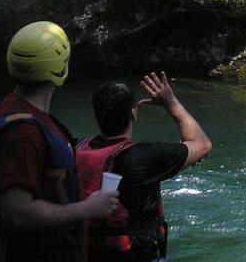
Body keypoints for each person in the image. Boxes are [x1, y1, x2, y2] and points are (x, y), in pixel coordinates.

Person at [0, 21, 119, 262]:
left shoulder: (7, 111)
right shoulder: (24, 133)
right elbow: (17, 211)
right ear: (61, 67)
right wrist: (88, 209)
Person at [75, 72, 212, 262]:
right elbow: (202, 145)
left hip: (90, 252)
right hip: (135, 254)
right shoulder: (143, 157)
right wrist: (171, 103)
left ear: (97, 114)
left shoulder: (77, 148)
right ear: (133, 112)